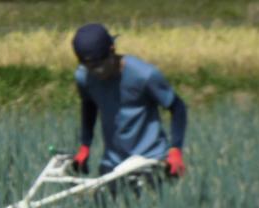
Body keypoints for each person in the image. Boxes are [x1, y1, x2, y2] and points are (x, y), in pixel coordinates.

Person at [70, 23, 187, 181]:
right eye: (90, 67)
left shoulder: (144, 75)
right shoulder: (84, 77)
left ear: (112, 50)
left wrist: (176, 150)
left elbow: (177, 107)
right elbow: (89, 106)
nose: (97, 72)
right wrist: (85, 146)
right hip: (112, 162)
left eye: (100, 65)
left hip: (150, 160)